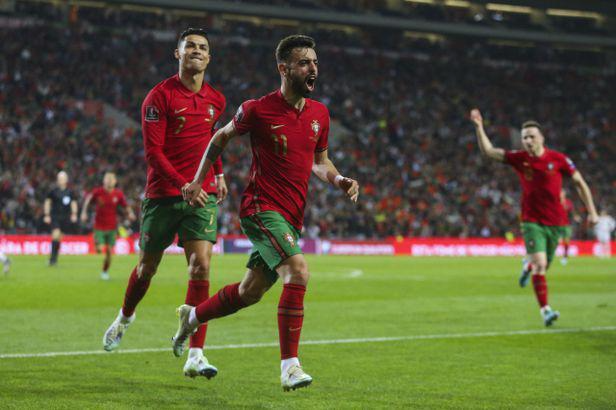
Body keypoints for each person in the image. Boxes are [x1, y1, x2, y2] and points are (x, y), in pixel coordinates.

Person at [175, 34, 359, 391]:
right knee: (298, 271)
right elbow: (219, 137)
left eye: (315, 62)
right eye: (304, 63)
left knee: (250, 292)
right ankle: (290, 367)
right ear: (284, 68)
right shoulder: (257, 109)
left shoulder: (320, 114)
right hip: (261, 208)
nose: (313, 68)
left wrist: (339, 179)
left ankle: (192, 316)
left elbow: (319, 162)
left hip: (292, 216)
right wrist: (199, 180)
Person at [101, 28, 228, 380]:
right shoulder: (158, 97)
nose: (197, 51)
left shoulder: (216, 99)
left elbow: (212, 141)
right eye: (190, 47)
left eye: (203, 47)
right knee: (147, 268)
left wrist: (218, 173)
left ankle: (196, 353)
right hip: (163, 195)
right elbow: (153, 153)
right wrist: (183, 185)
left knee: (201, 266)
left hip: (201, 195)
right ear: (178, 54)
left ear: (209, 57)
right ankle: (125, 317)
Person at [470, 109, 598, 326]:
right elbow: (489, 151)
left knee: (543, 266)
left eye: (532, 137)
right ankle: (546, 310)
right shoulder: (520, 159)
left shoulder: (558, 159)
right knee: (541, 264)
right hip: (531, 221)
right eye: (525, 138)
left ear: (542, 138)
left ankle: (527, 265)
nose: (528, 141)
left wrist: (592, 211)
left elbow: (580, 183)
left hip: (555, 222)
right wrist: (479, 127)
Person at [80, 171, 136, 280]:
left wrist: (131, 213)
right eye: (107, 178)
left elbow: (125, 205)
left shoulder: (118, 194)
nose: (109, 181)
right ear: (103, 180)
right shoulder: (98, 192)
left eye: (111, 179)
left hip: (112, 227)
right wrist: (84, 212)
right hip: (99, 226)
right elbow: (88, 200)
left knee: (110, 253)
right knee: (99, 249)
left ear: (115, 181)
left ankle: (104, 272)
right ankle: (97, 244)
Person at [44, 171, 78, 266]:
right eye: (59, 178)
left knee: (59, 238)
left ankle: (54, 258)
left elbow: (73, 203)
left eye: (62, 178)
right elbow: (47, 202)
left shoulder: (70, 192)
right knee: (55, 234)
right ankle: (52, 260)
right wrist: (47, 214)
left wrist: (74, 214)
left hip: (65, 218)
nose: (61, 180)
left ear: (66, 180)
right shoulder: (53, 192)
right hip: (55, 217)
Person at [558, 189, 575, 265]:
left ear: (564, 194)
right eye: (560, 193)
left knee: (566, 241)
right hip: (557, 225)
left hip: (566, 225)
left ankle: (565, 257)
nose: (560, 194)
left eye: (562, 193)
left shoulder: (568, 202)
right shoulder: (556, 202)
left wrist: (574, 217)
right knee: (556, 241)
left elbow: (571, 212)